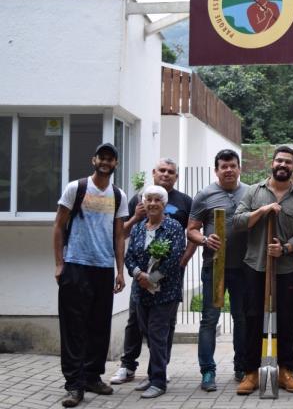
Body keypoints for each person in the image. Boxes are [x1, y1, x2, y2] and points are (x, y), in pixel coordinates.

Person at [53, 142, 128, 407]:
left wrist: (120, 270)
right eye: (102, 157)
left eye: (110, 159)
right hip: (75, 265)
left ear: (115, 164)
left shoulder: (118, 195)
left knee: (99, 326)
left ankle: (92, 377)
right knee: (74, 328)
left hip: (103, 268)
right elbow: (59, 225)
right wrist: (60, 263)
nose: (106, 162)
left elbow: (119, 235)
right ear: (93, 160)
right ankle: (74, 385)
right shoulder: (77, 188)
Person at [111, 158, 194, 386]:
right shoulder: (138, 203)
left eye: (171, 172)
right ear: (154, 172)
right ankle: (128, 366)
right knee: (136, 323)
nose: (166, 174)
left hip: (168, 280)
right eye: (162, 170)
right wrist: (140, 275)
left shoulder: (185, 203)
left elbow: (189, 235)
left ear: (176, 176)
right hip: (141, 283)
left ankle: (159, 372)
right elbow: (123, 238)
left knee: (163, 327)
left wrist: (179, 263)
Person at [232, 146, 293, 395]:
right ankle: (251, 372)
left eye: (287, 161)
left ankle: (286, 369)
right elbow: (238, 221)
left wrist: (285, 248)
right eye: (279, 161)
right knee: (252, 318)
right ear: (272, 164)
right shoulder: (254, 192)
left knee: (286, 319)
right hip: (255, 265)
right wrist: (264, 210)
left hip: (285, 269)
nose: (282, 165)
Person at [187, 149, 249, 392]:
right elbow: (191, 229)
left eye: (233, 165)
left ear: (239, 168)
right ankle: (208, 371)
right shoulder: (204, 195)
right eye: (224, 166)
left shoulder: (250, 192)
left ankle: (241, 367)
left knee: (241, 319)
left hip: (243, 269)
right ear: (217, 170)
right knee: (209, 320)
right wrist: (204, 240)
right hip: (215, 267)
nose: (229, 170)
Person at [123, 186, 186, 398]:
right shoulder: (139, 228)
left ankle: (158, 382)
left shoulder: (174, 227)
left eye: (157, 200)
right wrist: (138, 274)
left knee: (158, 335)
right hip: (140, 292)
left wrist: (152, 279)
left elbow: (174, 259)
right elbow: (129, 255)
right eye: (148, 199)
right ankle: (152, 375)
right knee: (149, 334)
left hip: (165, 292)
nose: (152, 203)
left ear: (164, 204)